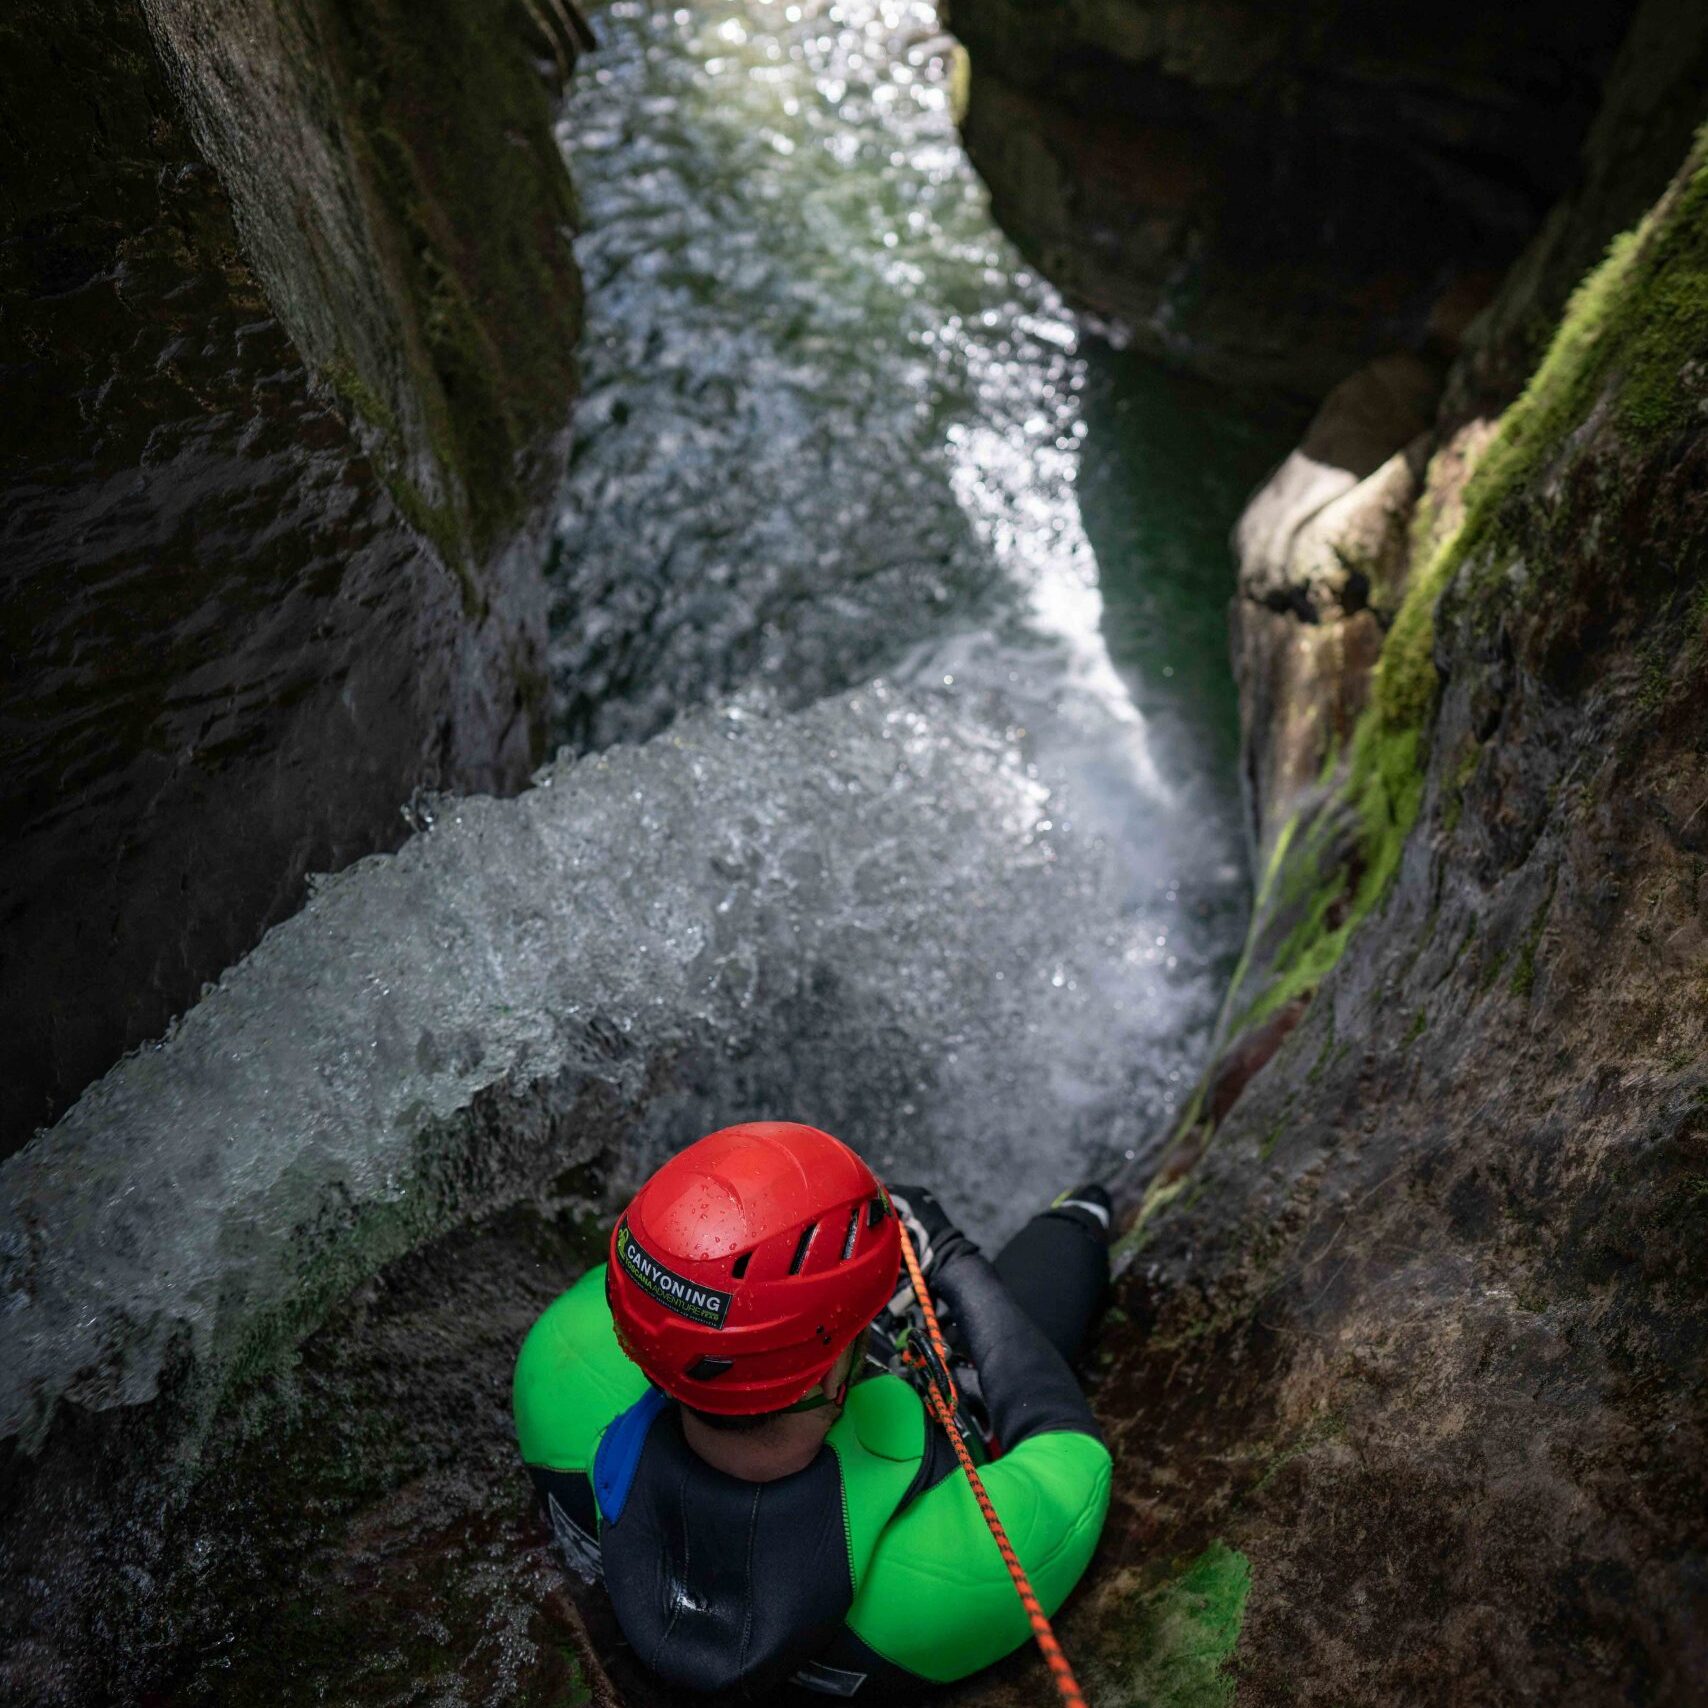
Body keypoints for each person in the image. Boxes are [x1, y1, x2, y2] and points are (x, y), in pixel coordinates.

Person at [513, 1120, 1113, 1697]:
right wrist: (954, 1260)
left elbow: (677, 1294)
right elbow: (1066, 1445)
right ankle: (1086, 1208)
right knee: (1059, 1254)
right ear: (828, 1377)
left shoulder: (557, 1371)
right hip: (911, 1505)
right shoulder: (945, 1580)